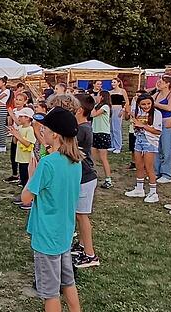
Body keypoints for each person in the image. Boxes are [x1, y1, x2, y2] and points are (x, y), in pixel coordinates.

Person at [20, 107, 92, 312]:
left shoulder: (49, 163)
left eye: (46, 129)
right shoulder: (75, 160)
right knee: (67, 282)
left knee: (50, 293)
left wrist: (32, 171)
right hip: (63, 234)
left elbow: (27, 198)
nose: (43, 132)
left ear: (56, 135)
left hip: (46, 237)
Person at [71, 94, 100, 268]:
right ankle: (82, 245)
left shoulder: (82, 130)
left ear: (80, 110)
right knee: (80, 214)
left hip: (85, 178)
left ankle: (90, 255)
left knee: (82, 216)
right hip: (83, 177)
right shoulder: (82, 127)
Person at [125, 94, 163, 204]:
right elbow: (129, 118)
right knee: (139, 165)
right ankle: (139, 188)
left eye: (148, 104)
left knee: (149, 167)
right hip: (139, 139)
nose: (146, 106)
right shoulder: (138, 112)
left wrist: (142, 125)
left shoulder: (156, 114)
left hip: (150, 141)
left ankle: (153, 192)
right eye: (143, 104)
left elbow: (158, 131)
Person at [8, 107, 37, 210]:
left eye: (21, 116)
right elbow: (16, 142)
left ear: (28, 118)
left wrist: (17, 135)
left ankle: (29, 200)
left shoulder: (30, 129)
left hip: (27, 158)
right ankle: (24, 197)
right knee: (23, 178)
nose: (19, 118)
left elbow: (28, 143)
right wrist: (14, 135)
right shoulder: (20, 128)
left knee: (27, 179)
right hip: (20, 157)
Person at [154, 76, 171, 183]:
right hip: (157, 122)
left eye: (161, 82)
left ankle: (166, 173)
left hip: (167, 122)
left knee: (167, 148)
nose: (158, 83)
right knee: (157, 147)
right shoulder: (157, 94)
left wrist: (155, 104)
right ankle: (156, 171)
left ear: (167, 84)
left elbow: (170, 107)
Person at [91, 91, 113, 189]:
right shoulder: (97, 106)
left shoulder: (105, 107)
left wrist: (92, 105)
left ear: (102, 97)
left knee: (103, 158)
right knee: (92, 156)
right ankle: (93, 175)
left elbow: (93, 114)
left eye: (98, 95)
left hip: (103, 133)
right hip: (95, 132)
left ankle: (108, 179)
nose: (96, 96)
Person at [109, 77, 129, 154]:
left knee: (117, 128)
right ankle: (112, 145)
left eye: (114, 82)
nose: (113, 84)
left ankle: (118, 146)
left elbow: (127, 102)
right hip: (112, 109)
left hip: (118, 109)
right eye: (112, 82)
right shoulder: (110, 92)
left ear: (118, 83)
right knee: (111, 128)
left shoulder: (122, 91)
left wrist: (123, 110)